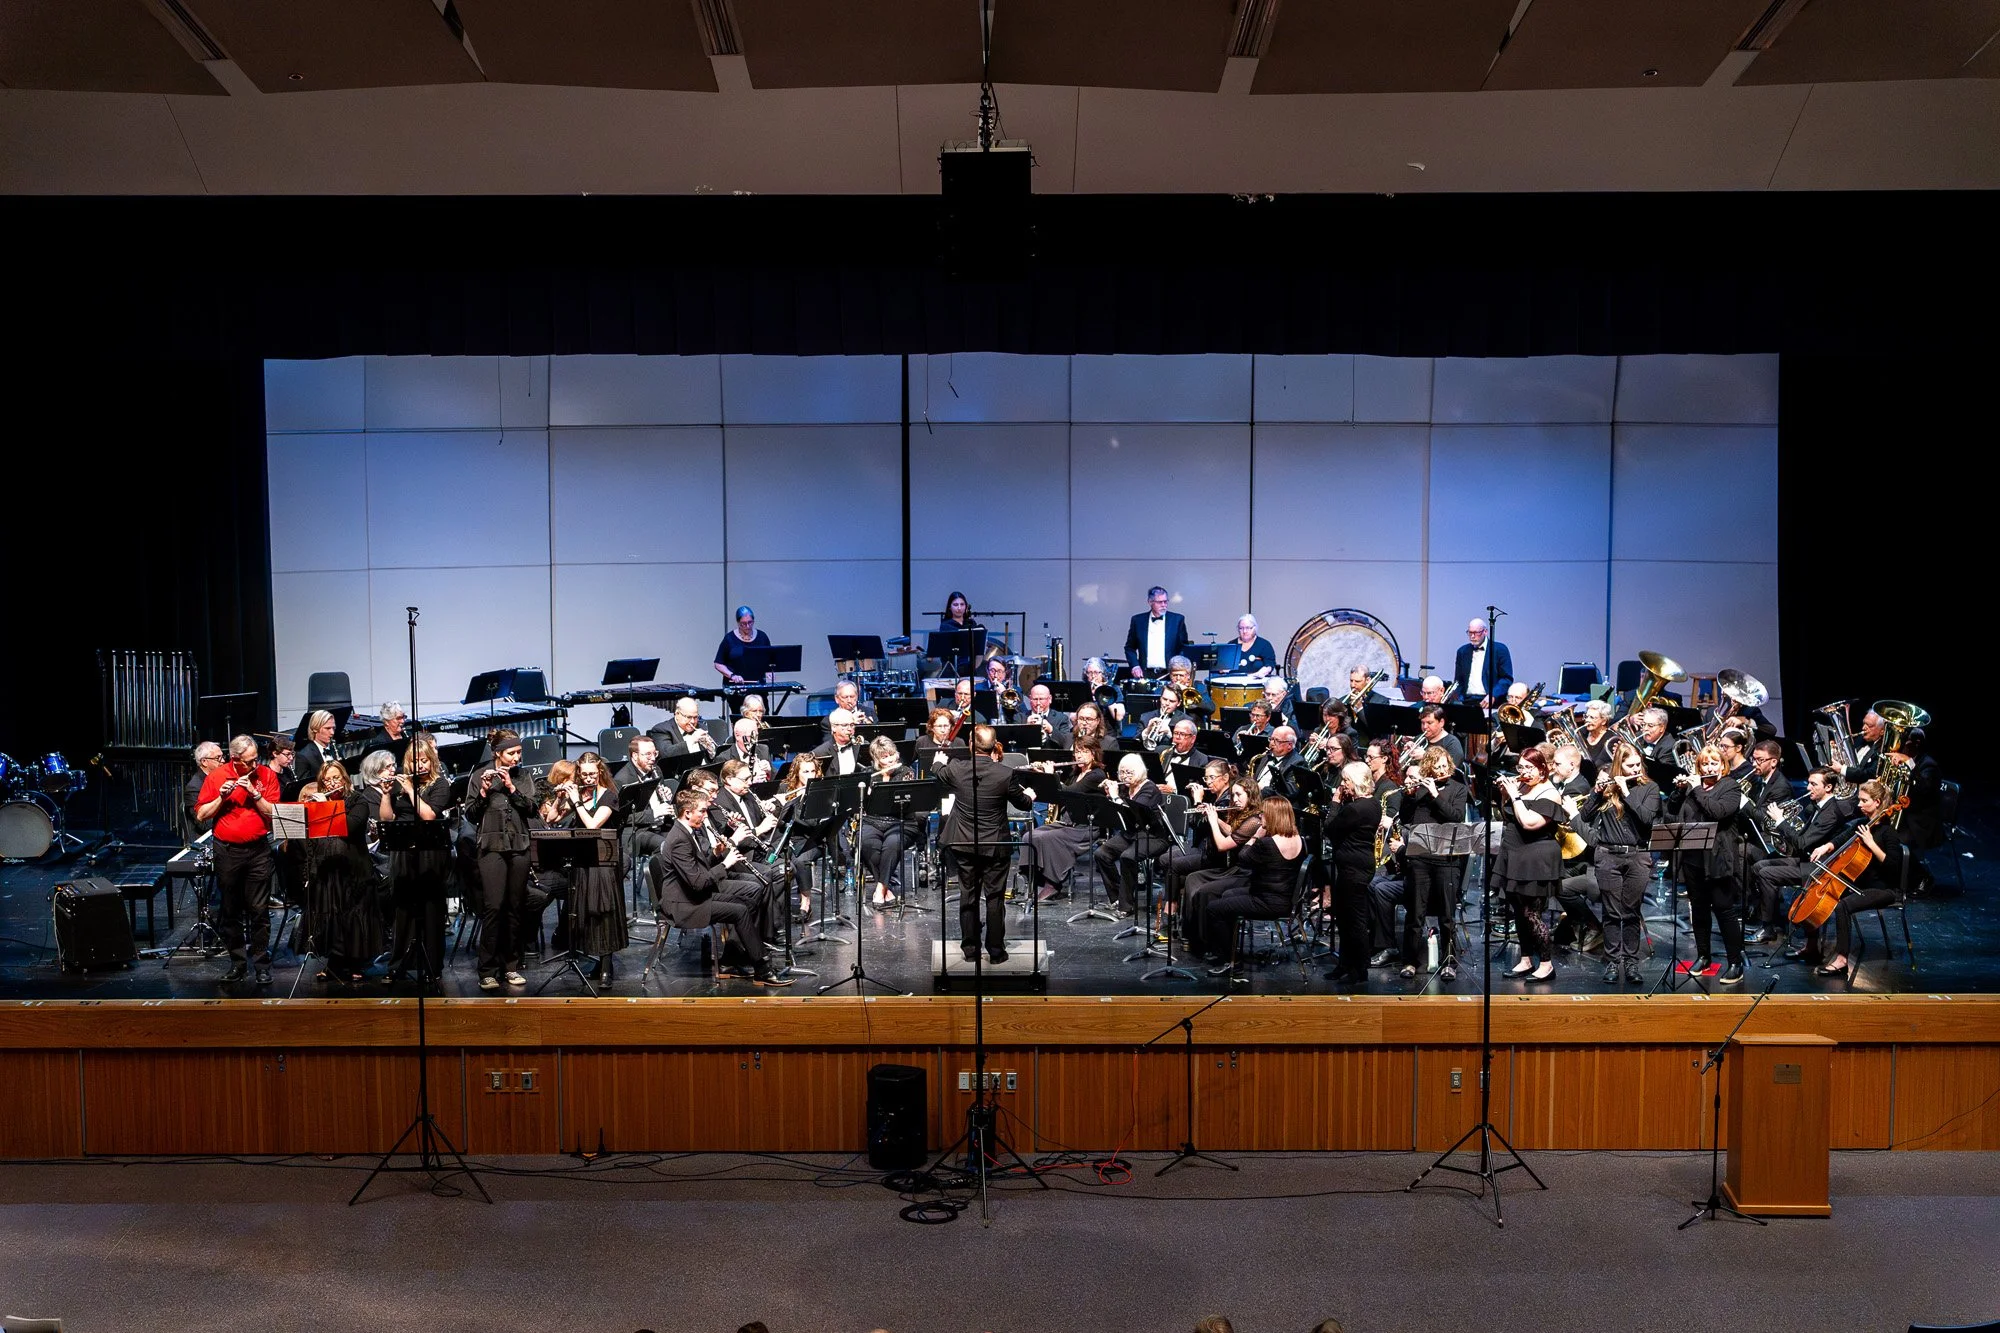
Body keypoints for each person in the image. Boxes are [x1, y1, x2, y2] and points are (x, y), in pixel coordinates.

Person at [656, 788, 790, 985]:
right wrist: (725, 864)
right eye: (701, 811)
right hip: (685, 904)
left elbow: (698, 869)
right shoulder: (679, 840)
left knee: (748, 902)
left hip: (693, 896)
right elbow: (698, 882)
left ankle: (737, 957)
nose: (705, 815)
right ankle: (761, 966)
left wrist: (716, 854)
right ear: (687, 813)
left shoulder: (686, 831)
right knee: (740, 911)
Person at [936, 724, 1035, 962]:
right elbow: (1024, 804)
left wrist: (938, 760)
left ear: (971, 744)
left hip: (963, 843)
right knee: (994, 898)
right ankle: (996, 951)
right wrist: (1030, 795)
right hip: (995, 846)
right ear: (994, 745)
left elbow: (938, 772)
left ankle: (970, 951)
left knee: (967, 895)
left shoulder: (957, 769)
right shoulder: (1005, 773)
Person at [1183, 794, 1304, 975]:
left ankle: (1229, 962)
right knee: (1227, 895)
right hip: (1286, 901)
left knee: (1214, 908)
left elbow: (1243, 858)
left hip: (1266, 902)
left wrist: (1255, 835)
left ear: (1272, 816)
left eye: (1263, 814)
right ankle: (1230, 952)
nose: (1260, 818)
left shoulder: (1267, 844)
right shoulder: (1299, 839)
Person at [193, 735, 281, 986]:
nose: (255, 765)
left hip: (258, 851)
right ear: (235, 760)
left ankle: (262, 964)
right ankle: (238, 964)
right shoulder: (217, 776)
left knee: (259, 910)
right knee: (231, 910)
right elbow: (201, 815)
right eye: (250, 762)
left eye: (256, 760)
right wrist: (221, 797)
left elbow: (273, 813)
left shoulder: (265, 775)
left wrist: (254, 793)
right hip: (228, 852)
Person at [464, 728, 539, 992]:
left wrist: (510, 787)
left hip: (519, 846)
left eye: (519, 752)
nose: (516, 757)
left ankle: (511, 966)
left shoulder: (524, 776)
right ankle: (487, 969)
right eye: (512, 753)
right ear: (498, 753)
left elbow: (532, 809)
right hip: (492, 847)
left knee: (514, 906)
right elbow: (471, 815)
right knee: (494, 907)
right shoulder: (478, 776)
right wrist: (484, 792)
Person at [1580, 742, 1660, 985]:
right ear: (1619, 766)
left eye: (1638, 764)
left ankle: (1632, 962)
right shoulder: (1608, 788)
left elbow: (1647, 819)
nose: (1636, 768)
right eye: (1630, 765)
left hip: (1637, 856)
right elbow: (1584, 815)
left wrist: (1626, 791)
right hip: (1608, 856)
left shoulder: (1650, 788)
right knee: (1612, 913)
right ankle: (1613, 961)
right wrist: (1597, 791)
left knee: (1632, 911)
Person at [299, 757, 382, 987]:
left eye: (336, 778)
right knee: (331, 915)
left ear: (344, 779)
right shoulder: (319, 804)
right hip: (328, 866)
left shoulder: (358, 801)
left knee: (353, 916)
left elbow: (348, 827)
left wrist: (323, 807)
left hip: (354, 868)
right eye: (327, 781)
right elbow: (311, 838)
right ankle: (335, 962)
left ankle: (355, 963)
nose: (332, 783)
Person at [1810, 779, 1906, 977]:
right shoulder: (1863, 824)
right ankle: (1811, 945)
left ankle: (1842, 959)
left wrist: (1871, 843)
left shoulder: (1888, 832)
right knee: (1819, 890)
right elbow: (1842, 838)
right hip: (1860, 885)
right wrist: (1826, 847)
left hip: (1883, 889)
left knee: (1843, 905)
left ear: (1877, 802)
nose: (1859, 805)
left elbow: (1892, 867)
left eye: (1864, 801)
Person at [1674, 744, 1749, 984]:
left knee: (1724, 911)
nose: (1709, 767)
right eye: (1705, 763)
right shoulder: (1693, 789)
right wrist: (1679, 791)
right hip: (1693, 858)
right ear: (1699, 766)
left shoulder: (1731, 787)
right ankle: (1703, 955)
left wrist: (1696, 788)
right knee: (1699, 910)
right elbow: (1673, 812)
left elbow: (1717, 812)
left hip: (1718, 860)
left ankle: (1735, 962)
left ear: (1722, 765)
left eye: (1714, 763)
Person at [382, 733, 452, 987]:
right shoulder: (401, 785)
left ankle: (432, 966)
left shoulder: (440, 784)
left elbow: (429, 815)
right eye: (414, 761)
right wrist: (386, 794)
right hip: (403, 853)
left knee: (430, 911)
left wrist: (411, 791)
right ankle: (398, 963)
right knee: (402, 911)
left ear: (431, 761)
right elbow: (387, 818)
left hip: (430, 855)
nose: (419, 765)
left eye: (423, 760)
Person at [1397, 745, 1470, 981]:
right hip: (1420, 858)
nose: (1441, 770)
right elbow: (1407, 818)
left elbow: (1455, 817)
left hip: (1447, 859)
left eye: (1444, 766)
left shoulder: (1458, 789)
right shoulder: (1419, 790)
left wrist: (1436, 795)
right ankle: (1409, 961)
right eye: (1437, 766)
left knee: (1447, 914)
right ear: (1428, 767)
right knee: (1415, 913)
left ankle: (1449, 962)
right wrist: (1408, 797)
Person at [1495, 745, 1564, 982]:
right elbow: (1509, 816)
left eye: (1529, 767)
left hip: (1537, 859)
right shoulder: (1523, 786)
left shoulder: (1549, 793)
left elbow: (1529, 823)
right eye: (1521, 767)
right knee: (1518, 912)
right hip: (1515, 855)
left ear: (1542, 769)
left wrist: (1514, 796)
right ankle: (1525, 960)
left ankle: (1546, 964)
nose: (1524, 772)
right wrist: (1505, 795)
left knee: (1531, 913)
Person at [1017, 742, 1108, 903]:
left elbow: (1069, 793)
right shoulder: (1074, 774)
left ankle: (1053, 883)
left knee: (1048, 838)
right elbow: (1055, 794)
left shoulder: (1097, 775)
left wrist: (1051, 775)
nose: (1079, 756)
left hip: (1085, 827)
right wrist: (1043, 776)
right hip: (1067, 823)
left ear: (1093, 754)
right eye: (1077, 752)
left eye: (1084, 751)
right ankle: (1031, 879)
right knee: (1029, 836)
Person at [1093, 752, 1167, 919]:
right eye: (1122, 772)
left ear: (1140, 772)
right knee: (1101, 854)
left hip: (1153, 836)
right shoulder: (1126, 789)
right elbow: (1118, 816)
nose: (1124, 776)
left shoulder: (1149, 789)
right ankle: (1118, 898)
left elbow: (1134, 813)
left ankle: (1127, 906)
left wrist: (1115, 796)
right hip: (1132, 834)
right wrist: (1110, 796)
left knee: (1128, 857)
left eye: (1129, 772)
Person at [855, 735, 917, 908]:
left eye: (891, 755)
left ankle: (880, 888)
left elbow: (905, 803)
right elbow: (860, 804)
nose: (889, 760)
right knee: (866, 843)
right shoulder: (868, 774)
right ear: (876, 760)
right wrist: (867, 793)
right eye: (884, 757)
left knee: (892, 844)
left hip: (900, 821)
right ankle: (886, 889)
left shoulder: (906, 772)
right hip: (873, 821)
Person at [1124, 585, 1192, 680]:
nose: (1164, 605)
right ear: (1150, 602)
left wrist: (1178, 670)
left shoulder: (1177, 620)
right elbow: (1130, 647)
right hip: (1145, 674)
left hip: (1170, 675)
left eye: (1165, 601)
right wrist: (1135, 666)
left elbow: (1184, 648)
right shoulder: (1138, 621)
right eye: (1160, 602)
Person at [1453, 617, 1513, 707]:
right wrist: (1459, 698)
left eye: (1476, 633)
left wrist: (1493, 694)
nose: (1472, 636)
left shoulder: (1499, 650)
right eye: (1470, 633)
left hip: (1491, 701)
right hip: (1467, 701)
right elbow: (1458, 680)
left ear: (1485, 632)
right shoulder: (1462, 651)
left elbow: (1507, 678)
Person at [931, 590, 984, 677]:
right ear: (949, 607)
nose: (959, 608)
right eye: (955, 605)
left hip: (970, 669)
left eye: (962, 604)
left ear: (966, 606)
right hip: (952, 670)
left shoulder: (971, 623)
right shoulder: (946, 626)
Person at [714, 605, 772, 685]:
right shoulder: (729, 639)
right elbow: (718, 663)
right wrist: (732, 676)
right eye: (743, 624)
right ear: (738, 623)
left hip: (758, 686)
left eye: (750, 622)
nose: (748, 626)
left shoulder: (762, 637)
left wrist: (769, 672)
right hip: (735, 687)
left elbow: (770, 660)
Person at [651, 696, 717, 760]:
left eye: (695, 717)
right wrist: (692, 740)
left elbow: (714, 756)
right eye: (688, 717)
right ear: (677, 714)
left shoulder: (701, 727)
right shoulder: (662, 730)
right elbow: (665, 755)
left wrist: (710, 747)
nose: (693, 721)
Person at [185, 740, 226, 833]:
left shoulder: (223, 778)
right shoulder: (194, 787)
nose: (223, 761)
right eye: (218, 758)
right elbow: (203, 823)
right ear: (204, 762)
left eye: (222, 757)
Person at [813, 707, 868, 776]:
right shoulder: (820, 753)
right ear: (833, 727)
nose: (850, 729)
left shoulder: (862, 746)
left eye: (852, 725)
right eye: (845, 725)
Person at [296, 709, 337, 788]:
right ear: (315, 729)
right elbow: (305, 787)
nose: (332, 732)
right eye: (328, 728)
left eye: (333, 728)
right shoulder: (304, 756)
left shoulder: (335, 750)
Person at [1021, 682, 1070, 748]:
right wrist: (1026, 727)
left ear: (1050, 699)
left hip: (1052, 757)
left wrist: (1051, 730)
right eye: (1035, 699)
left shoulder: (1061, 718)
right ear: (1030, 699)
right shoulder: (1020, 717)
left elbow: (1066, 743)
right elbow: (1013, 742)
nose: (1038, 703)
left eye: (1041, 699)